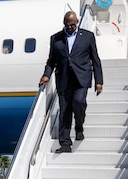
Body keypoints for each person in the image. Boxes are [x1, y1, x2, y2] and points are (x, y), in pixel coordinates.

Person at [39, 11, 104, 153]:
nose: (70, 28)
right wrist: (46, 75)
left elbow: (95, 59)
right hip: (64, 79)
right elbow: (51, 61)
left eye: (72, 25)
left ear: (77, 22)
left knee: (79, 101)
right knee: (64, 111)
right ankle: (65, 144)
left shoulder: (87, 37)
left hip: (82, 77)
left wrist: (99, 81)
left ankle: (79, 126)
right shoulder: (56, 39)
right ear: (64, 23)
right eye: (67, 25)